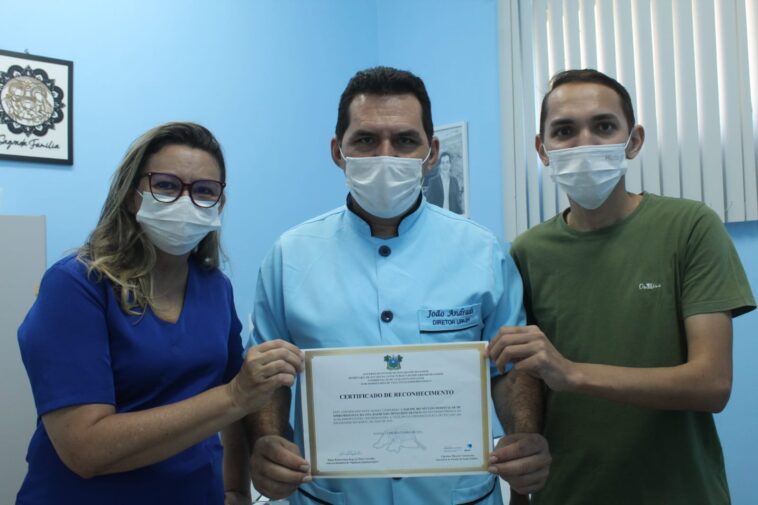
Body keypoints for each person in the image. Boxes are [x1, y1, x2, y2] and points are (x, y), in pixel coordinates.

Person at [242, 66, 551, 505]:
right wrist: (267, 440)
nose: (385, 156)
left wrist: (524, 433)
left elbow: (510, 366)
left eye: (405, 140)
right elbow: (267, 373)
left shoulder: (483, 252)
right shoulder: (289, 256)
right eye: (365, 140)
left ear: (431, 152)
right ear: (337, 151)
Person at [487, 69, 756, 504]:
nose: (585, 143)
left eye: (604, 126)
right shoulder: (527, 252)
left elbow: (712, 383)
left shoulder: (689, 227)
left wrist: (573, 373)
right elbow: (527, 387)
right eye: (564, 131)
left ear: (633, 140)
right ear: (542, 150)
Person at [16, 122, 304, 505]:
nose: (186, 202)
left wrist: (236, 489)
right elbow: (84, 449)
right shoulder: (76, 286)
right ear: (131, 195)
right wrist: (234, 395)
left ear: (219, 204)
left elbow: (236, 408)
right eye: (166, 186)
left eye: (204, 191)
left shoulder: (215, 288)